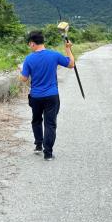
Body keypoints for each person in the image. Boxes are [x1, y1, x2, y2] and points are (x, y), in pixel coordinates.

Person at [19, 30, 75, 161]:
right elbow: (71, 64)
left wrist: (21, 70)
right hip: (51, 96)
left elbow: (23, 79)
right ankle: (48, 153)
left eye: (29, 44)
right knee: (50, 124)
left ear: (32, 43)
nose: (29, 46)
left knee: (37, 120)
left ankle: (38, 145)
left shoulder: (28, 59)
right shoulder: (54, 55)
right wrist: (68, 49)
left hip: (36, 96)